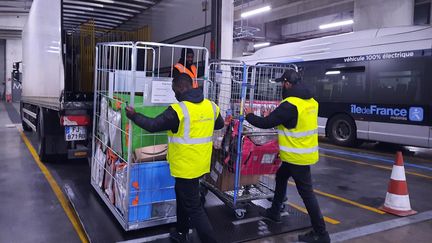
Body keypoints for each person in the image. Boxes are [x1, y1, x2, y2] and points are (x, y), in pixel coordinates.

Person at [126, 73, 223, 243]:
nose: (174, 95)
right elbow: (219, 124)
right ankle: (181, 232)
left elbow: (153, 125)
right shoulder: (211, 106)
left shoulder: (179, 110)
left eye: (174, 91)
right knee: (181, 194)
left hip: (186, 167)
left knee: (195, 207)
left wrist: (134, 116)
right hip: (200, 164)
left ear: (179, 88)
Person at [244, 69, 330, 243]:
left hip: (297, 157)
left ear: (288, 84)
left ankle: (322, 234)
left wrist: (249, 115)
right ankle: (274, 212)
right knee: (281, 176)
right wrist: (277, 118)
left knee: (307, 194)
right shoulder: (311, 101)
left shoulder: (290, 104)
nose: (282, 86)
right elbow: (292, 122)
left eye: (282, 83)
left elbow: (266, 123)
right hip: (301, 153)